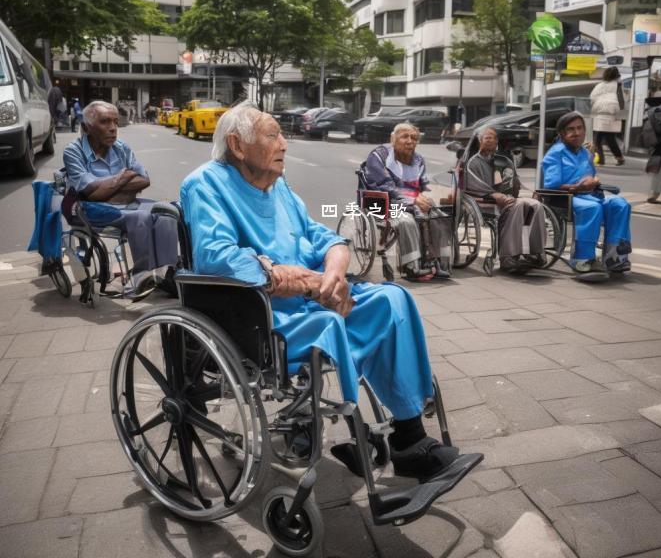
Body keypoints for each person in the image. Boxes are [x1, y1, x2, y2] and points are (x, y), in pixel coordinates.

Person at [180, 103, 475, 482]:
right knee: (330, 323)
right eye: (273, 135)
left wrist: (335, 270)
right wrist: (303, 280)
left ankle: (408, 437)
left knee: (393, 300)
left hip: (313, 295)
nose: (285, 143)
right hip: (264, 313)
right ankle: (360, 434)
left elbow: (320, 235)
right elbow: (215, 258)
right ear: (238, 145)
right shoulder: (205, 184)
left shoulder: (278, 185)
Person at [63, 100, 177, 291]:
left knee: (167, 212)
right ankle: (141, 275)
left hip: (122, 203)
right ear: (86, 127)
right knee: (140, 217)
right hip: (88, 208)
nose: (113, 128)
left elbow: (145, 179)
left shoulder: (121, 147)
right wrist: (124, 176)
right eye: (105, 122)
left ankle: (168, 273)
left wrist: (108, 188)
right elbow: (90, 193)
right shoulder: (73, 152)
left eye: (115, 122)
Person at [542, 111, 631, 274]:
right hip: (566, 198)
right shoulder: (555, 153)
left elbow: (589, 177)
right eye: (570, 129)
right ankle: (582, 258)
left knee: (620, 204)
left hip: (590, 195)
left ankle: (615, 256)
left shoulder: (586, 153)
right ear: (562, 133)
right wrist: (578, 188)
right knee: (591, 207)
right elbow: (551, 185)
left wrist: (593, 182)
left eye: (580, 128)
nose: (576, 133)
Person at [363, 123, 451, 282]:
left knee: (440, 217)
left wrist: (428, 197)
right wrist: (412, 201)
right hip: (385, 202)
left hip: (413, 202)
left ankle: (439, 263)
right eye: (405, 137)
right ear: (393, 139)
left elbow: (424, 185)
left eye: (414, 138)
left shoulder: (418, 159)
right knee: (406, 221)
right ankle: (411, 266)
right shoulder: (379, 156)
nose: (410, 141)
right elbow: (386, 187)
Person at [466, 127, 547, 271]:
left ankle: (534, 252)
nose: (490, 140)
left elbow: (515, 182)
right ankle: (508, 257)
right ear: (480, 141)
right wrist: (494, 195)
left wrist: (530, 191)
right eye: (487, 137)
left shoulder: (503, 160)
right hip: (486, 201)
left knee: (535, 205)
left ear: (497, 141)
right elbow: (474, 184)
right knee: (518, 206)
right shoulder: (473, 162)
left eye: (493, 137)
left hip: (509, 198)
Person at [589, 67, 625, 166]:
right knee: (610, 138)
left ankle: (600, 159)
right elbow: (621, 100)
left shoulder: (599, 85)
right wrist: (621, 114)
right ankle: (619, 158)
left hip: (599, 113)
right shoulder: (618, 85)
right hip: (612, 113)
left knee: (597, 139)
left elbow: (592, 97)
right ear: (616, 75)